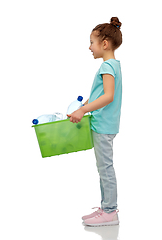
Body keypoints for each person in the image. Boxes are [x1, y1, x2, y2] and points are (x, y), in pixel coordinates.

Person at [67, 17, 122, 227]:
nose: (89, 47)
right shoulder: (113, 65)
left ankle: (110, 212)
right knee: (103, 167)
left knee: (105, 168)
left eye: (92, 42)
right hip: (104, 124)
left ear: (104, 44)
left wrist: (83, 109)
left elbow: (108, 96)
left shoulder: (107, 67)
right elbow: (101, 94)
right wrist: (84, 105)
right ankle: (106, 207)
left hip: (104, 125)